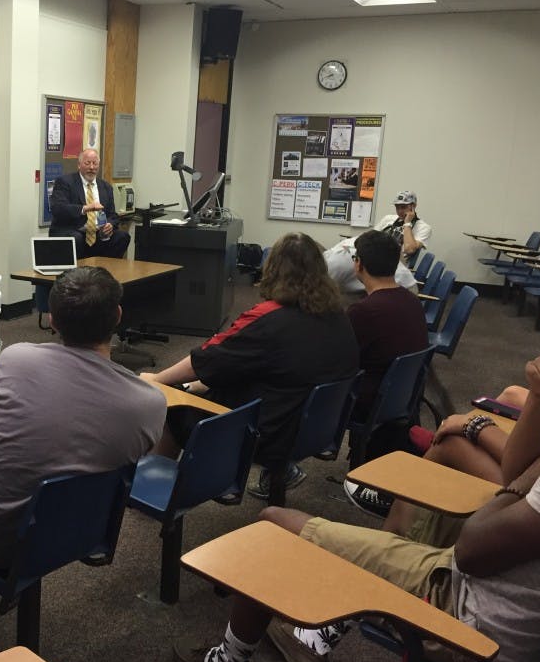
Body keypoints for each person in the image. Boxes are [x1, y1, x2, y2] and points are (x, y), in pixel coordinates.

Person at [174, 349, 540, 662]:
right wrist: (539, 399)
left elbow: (472, 548)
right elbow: (517, 473)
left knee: (272, 523)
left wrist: (533, 469)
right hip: (497, 606)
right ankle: (338, 609)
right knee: (448, 463)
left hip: (474, 623)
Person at [0, 266, 164, 591]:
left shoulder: (16, 360)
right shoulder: (151, 405)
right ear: (117, 316)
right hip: (73, 535)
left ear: (53, 320)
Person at [141, 233, 359, 500]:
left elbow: (204, 361)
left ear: (273, 269)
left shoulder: (267, 318)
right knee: (202, 385)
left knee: (173, 407)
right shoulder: (339, 315)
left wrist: (157, 379)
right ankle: (277, 472)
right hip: (314, 427)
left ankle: (155, 495)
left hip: (265, 433)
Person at [334, 230, 429, 467]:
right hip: (401, 399)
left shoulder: (363, 311)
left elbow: (337, 361)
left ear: (358, 265)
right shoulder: (412, 301)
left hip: (368, 402)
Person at [324, 190, 432, 294]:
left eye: (403, 207)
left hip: (394, 265)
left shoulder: (423, 228)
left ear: (413, 206)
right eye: (397, 207)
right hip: (373, 256)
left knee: (344, 269)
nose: (399, 211)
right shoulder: (389, 219)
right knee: (342, 253)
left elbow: (409, 249)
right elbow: (370, 238)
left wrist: (407, 223)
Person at [49, 148, 130, 258]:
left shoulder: (106, 187)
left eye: (95, 163)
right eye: (87, 163)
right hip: (73, 231)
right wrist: (85, 208)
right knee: (76, 238)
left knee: (123, 236)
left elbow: (113, 215)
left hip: (98, 235)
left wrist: (109, 225)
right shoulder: (65, 182)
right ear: (79, 165)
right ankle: (75, 274)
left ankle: (105, 272)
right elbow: (58, 209)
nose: (91, 167)